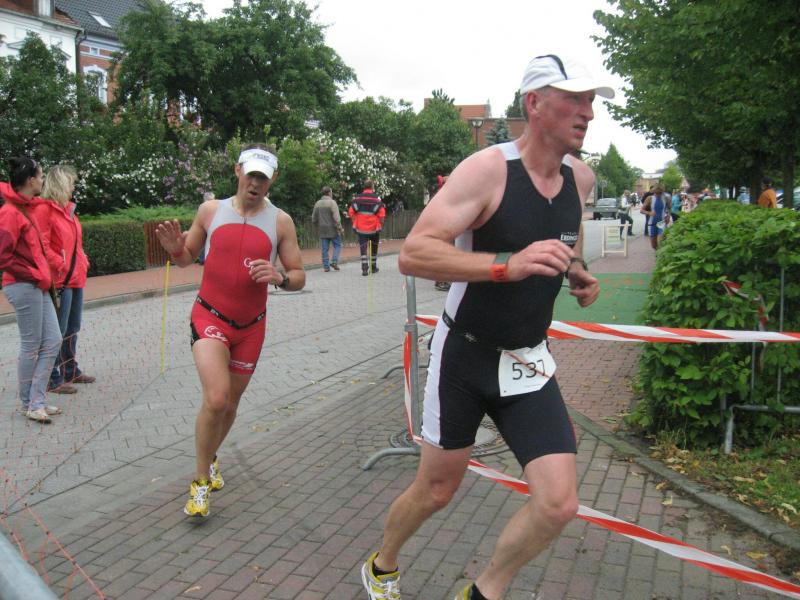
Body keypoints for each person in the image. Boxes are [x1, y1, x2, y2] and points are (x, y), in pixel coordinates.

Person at [360, 54, 606, 600]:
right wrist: (506, 266)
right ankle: (382, 563)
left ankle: (483, 590)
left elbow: (565, 241)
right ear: (534, 103)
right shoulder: (488, 170)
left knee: (558, 503)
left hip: (526, 361)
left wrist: (576, 270)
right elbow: (415, 253)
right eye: (574, 99)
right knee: (437, 490)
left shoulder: (581, 179)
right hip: (465, 358)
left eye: (591, 101)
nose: (588, 112)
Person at [155, 144, 306, 517]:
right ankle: (200, 481)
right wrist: (175, 250)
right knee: (217, 398)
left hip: (251, 327)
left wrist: (280, 277)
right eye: (251, 174)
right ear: (238, 171)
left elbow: (299, 275)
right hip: (210, 317)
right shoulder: (210, 211)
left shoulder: (281, 222)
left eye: (263, 178)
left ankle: (210, 457)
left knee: (231, 405)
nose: (255, 184)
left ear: (272, 180)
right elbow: (187, 258)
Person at [0, 157, 62, 423]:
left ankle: (36, 400)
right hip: (23, 286)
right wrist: (35, 274)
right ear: (30, 180)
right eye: (41, 175)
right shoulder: (10, 213)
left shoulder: (24, 209)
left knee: (53, 340)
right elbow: (3, 256)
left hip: (36, 285)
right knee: (31, 345)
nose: (43, 180)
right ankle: (31, 403)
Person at [36, 165, 94, 397]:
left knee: (72, 327)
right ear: (60, 184)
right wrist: (60, 264)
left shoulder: (68, 211)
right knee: (57, 330)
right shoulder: (45, 211)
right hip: (60, 279)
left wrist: (83, 260)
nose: (73, 188)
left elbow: (74, 245)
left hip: (75, 277)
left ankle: (70, 369)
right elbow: (42, 245)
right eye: (70, 183)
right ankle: (52, 377)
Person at [349, 180, 386, 276]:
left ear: (364, 187)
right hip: (374, 228)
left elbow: (351, 212)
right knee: (374, 247)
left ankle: (364, 269)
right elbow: (382, 215)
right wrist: (380, 224)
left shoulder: (357, 199)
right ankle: (373, 267)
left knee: (363, 248)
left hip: (361, 229)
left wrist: (356, 221)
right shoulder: (377, 200)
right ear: (372, 187)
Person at [311, 186, 343, 272]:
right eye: (331, 192)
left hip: (322, 229)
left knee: (324, 249)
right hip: (333, 229)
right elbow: (337, 218)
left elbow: (313, 219)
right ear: (329, 193)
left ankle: (326, 267)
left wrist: (317, 226)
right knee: (338, 245)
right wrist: (340, 228)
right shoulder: (332, 203)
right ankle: (334, 261)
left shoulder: (317, 203)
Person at [641, 185, 670, 250]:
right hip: (652, 223)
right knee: (653, 245)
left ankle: (660, 253)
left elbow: (669, 208)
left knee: (660, 241)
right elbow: (641, 210)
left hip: (662, 222)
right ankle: (657, 251)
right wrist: (649, 213)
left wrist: (668, 216)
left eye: (660, 193)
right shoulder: (650, 198)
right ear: (654, 192)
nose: (658, 195)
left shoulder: (666, 198)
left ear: (662, 192)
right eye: (656, 193)